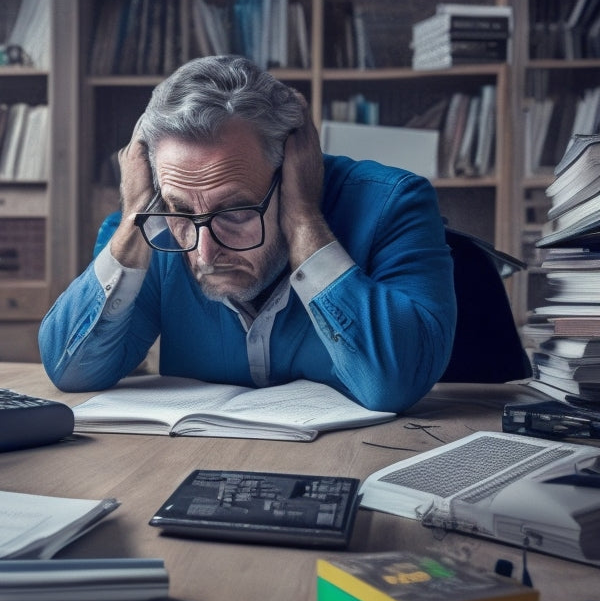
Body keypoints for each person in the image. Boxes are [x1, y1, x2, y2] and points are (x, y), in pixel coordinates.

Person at [39, 55, 456, 413]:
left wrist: (304, 220)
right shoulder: (153, 231)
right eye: (182, 210)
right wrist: (135, 216)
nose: (204, 253)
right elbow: (71, 370)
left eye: (235, 212)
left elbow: (395, 384)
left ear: (293, 170)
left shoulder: (395, 204)